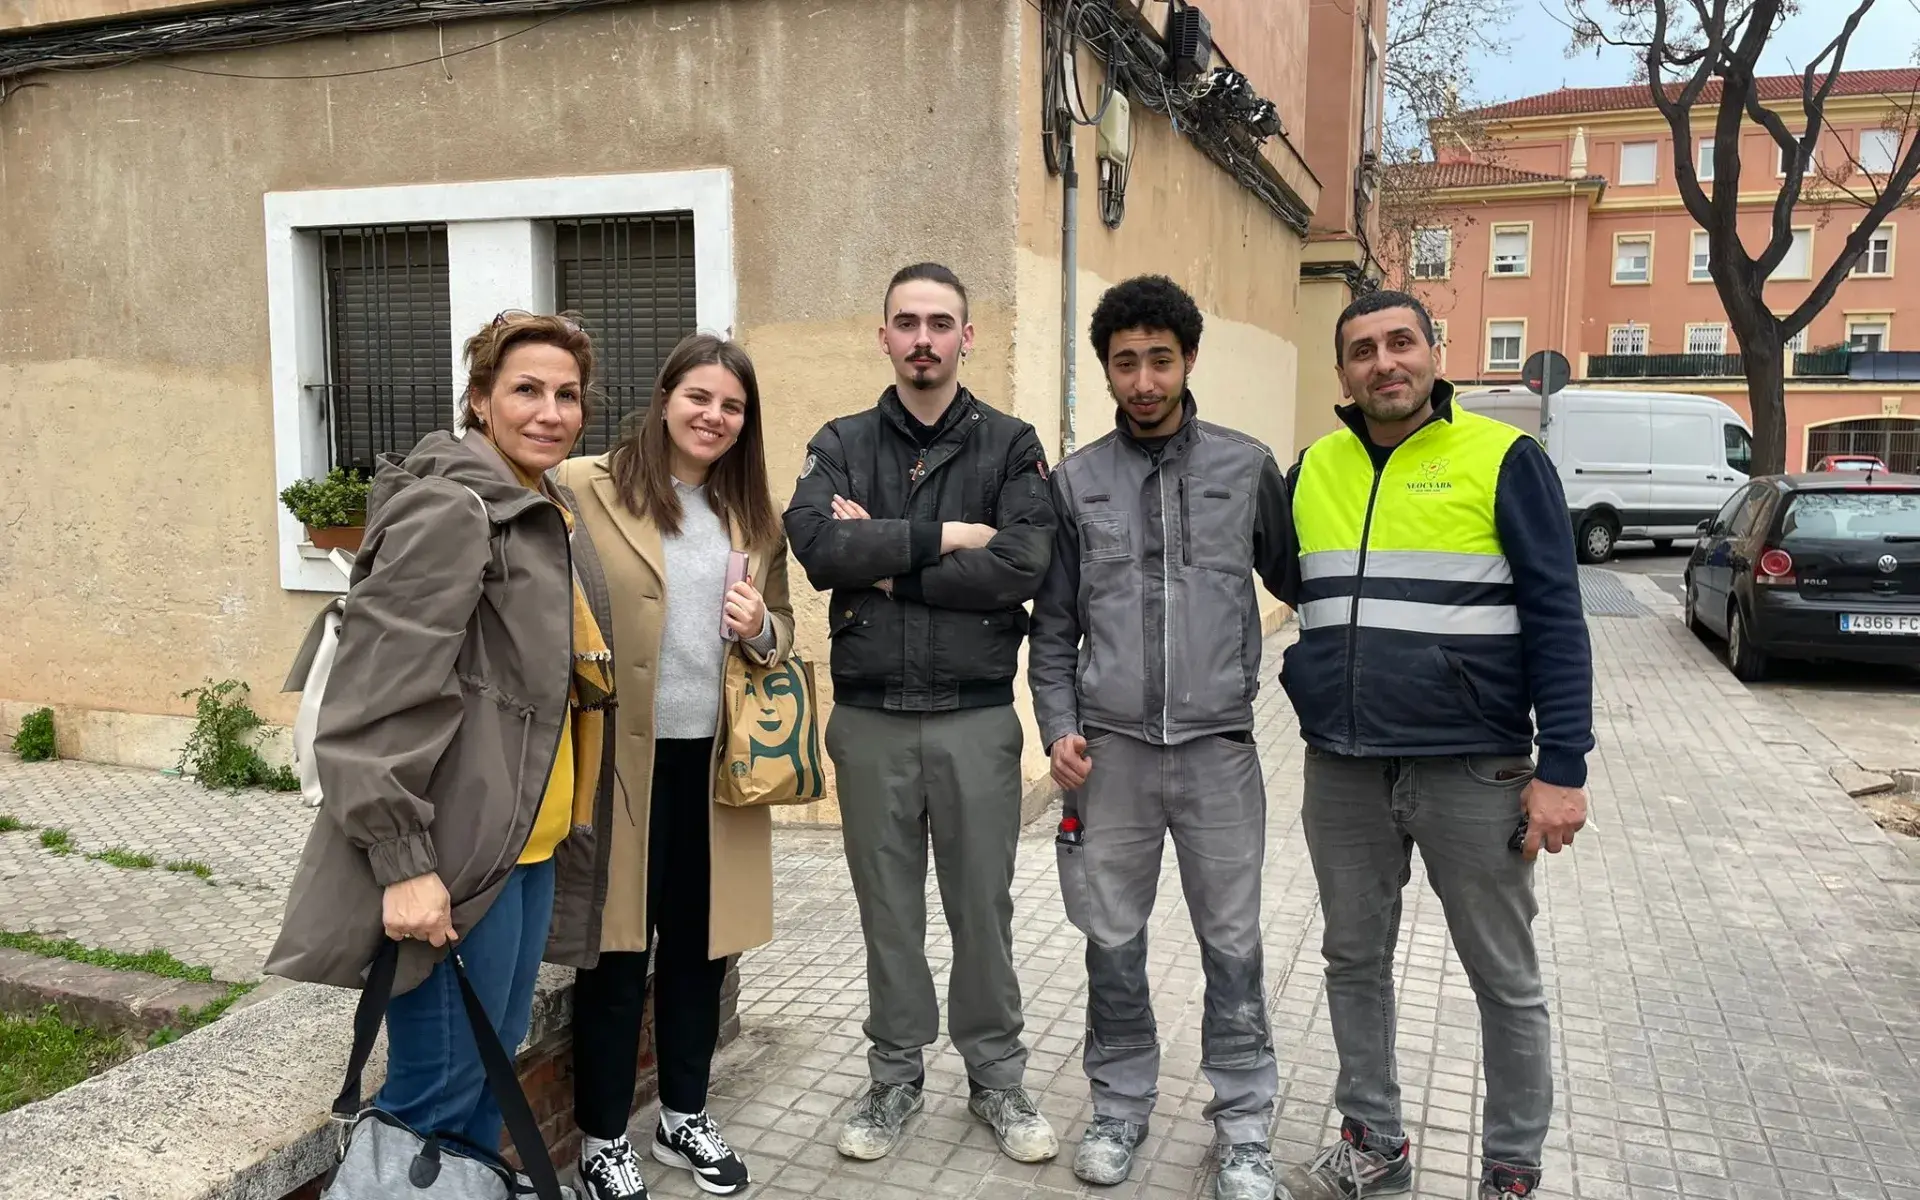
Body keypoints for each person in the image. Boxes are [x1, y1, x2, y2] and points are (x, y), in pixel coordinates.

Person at [267, 311, 618, 1157]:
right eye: (525, 390)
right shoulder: (452, 509)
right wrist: (403, 865)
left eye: (567, 395)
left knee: (488, 1077)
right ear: (479, 400)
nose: (550, 412)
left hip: (524, 848)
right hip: (453, 857)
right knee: (437, 1090)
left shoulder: (544, 503)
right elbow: (375, 703)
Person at [1279, 290, 1593, 1200]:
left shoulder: (1504, 457)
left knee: (1503, 975)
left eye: (1401, 343)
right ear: (1341, 371)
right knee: (1351, 960)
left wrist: (1562, 769)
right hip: (1343, 765)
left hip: (1475, 765)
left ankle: (1511, 1171)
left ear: (1433, 351)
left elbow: (1558, 619)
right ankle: (1374, 1142)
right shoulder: (1313, 470)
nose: (1385, 363)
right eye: (1363, 350)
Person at [783, 262, 1060, 1166]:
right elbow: (820, 545)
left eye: (942, 322)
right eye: (907, 322)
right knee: (888, 912)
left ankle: (998, 1079)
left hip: (976, 718)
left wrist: (888, 559)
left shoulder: (1013, 447)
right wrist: (946, 537)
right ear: (885, 336)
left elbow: (1022, 565)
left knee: (982, 909)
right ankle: (896, 1075)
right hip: (870, 720)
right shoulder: (841, 440)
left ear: (967, 336)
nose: (924, 339)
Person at [1028, 275, 1297, 1200]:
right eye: (1125, 362)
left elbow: (1306, 581)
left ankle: (1247, 1125)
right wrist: (1058, 728)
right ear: (1107, 369)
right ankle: (1119, 1103)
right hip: (1112, 759)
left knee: (1233, 942)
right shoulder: (1076, 483)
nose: (1143, 380)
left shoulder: (1245, 465)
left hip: (1221, 752)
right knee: (1113, 939)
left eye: (1159, 360)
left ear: (1188, 360)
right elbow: (1052, 627)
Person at [556, 334, 795, 1200]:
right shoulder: (585, 486)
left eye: (732, 407)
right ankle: (601, 1141)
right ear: (664, 400)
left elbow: (783, 630)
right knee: (617, 957)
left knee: (702, 953)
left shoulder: (750, 516)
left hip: (715, 771)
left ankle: (684, 1114)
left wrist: (760, 629)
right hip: (620, 766)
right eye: (699, 398)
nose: (714, 417)